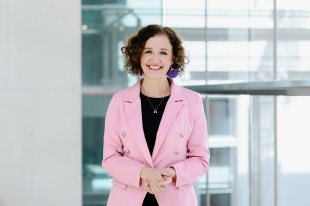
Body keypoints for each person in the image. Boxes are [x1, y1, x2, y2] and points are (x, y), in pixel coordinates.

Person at [102, 24, 210, 206]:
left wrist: (173, 172)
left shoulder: (192, 101)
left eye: (163, 52)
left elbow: (200, 160)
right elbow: (110, 158)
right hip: (127, 199)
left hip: (175, 198)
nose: (155, 59)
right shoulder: (119, 101)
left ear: (173, 58)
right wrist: (144, 172)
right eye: (148, 51)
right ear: (138, 56)